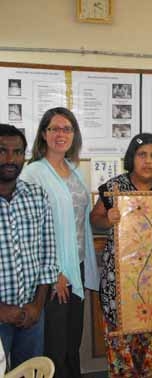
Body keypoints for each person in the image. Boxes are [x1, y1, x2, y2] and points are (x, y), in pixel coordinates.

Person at [20, 107, 99, 378]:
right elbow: (30, 232)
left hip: (75, 268)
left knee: (70, 345)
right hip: (53, 276)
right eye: (54, 128)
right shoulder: (32, 174)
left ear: (74, 135)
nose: (61, 134)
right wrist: (55, 273)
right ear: (44, 134)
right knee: (54, 347)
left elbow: (78, 219)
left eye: (67, 129)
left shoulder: (74, 171)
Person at [90, 133, 152, 377]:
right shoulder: (114, 188)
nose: (148, 161)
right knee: (123, 354)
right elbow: (93, 220)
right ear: (132, 158)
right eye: (142, 155)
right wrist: (107, 219)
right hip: (119, 285)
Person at [0, 124, 58, 370]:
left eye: (17, 152)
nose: (10, 159)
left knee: (30, 372)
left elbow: (48, 254)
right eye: (2, 151)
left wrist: (37, 304)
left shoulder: (37, 196)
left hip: (32, 314)